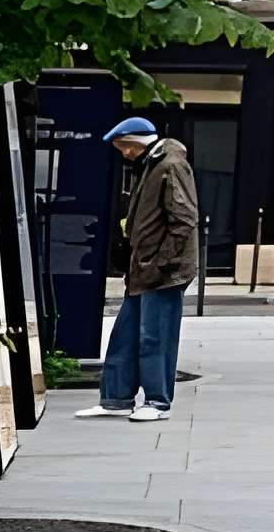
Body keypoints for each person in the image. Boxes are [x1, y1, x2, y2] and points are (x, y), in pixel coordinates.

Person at [85, 115, 199, 421]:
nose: (124, 153)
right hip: (144, 268)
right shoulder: (152, 164)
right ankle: (116, 399)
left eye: (124, 146)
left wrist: (162, 263)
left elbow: (184, 220)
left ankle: (157, 402)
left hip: (162, 272)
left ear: (135, 142)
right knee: (125, 336)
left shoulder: (170, 165)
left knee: (155, 338)